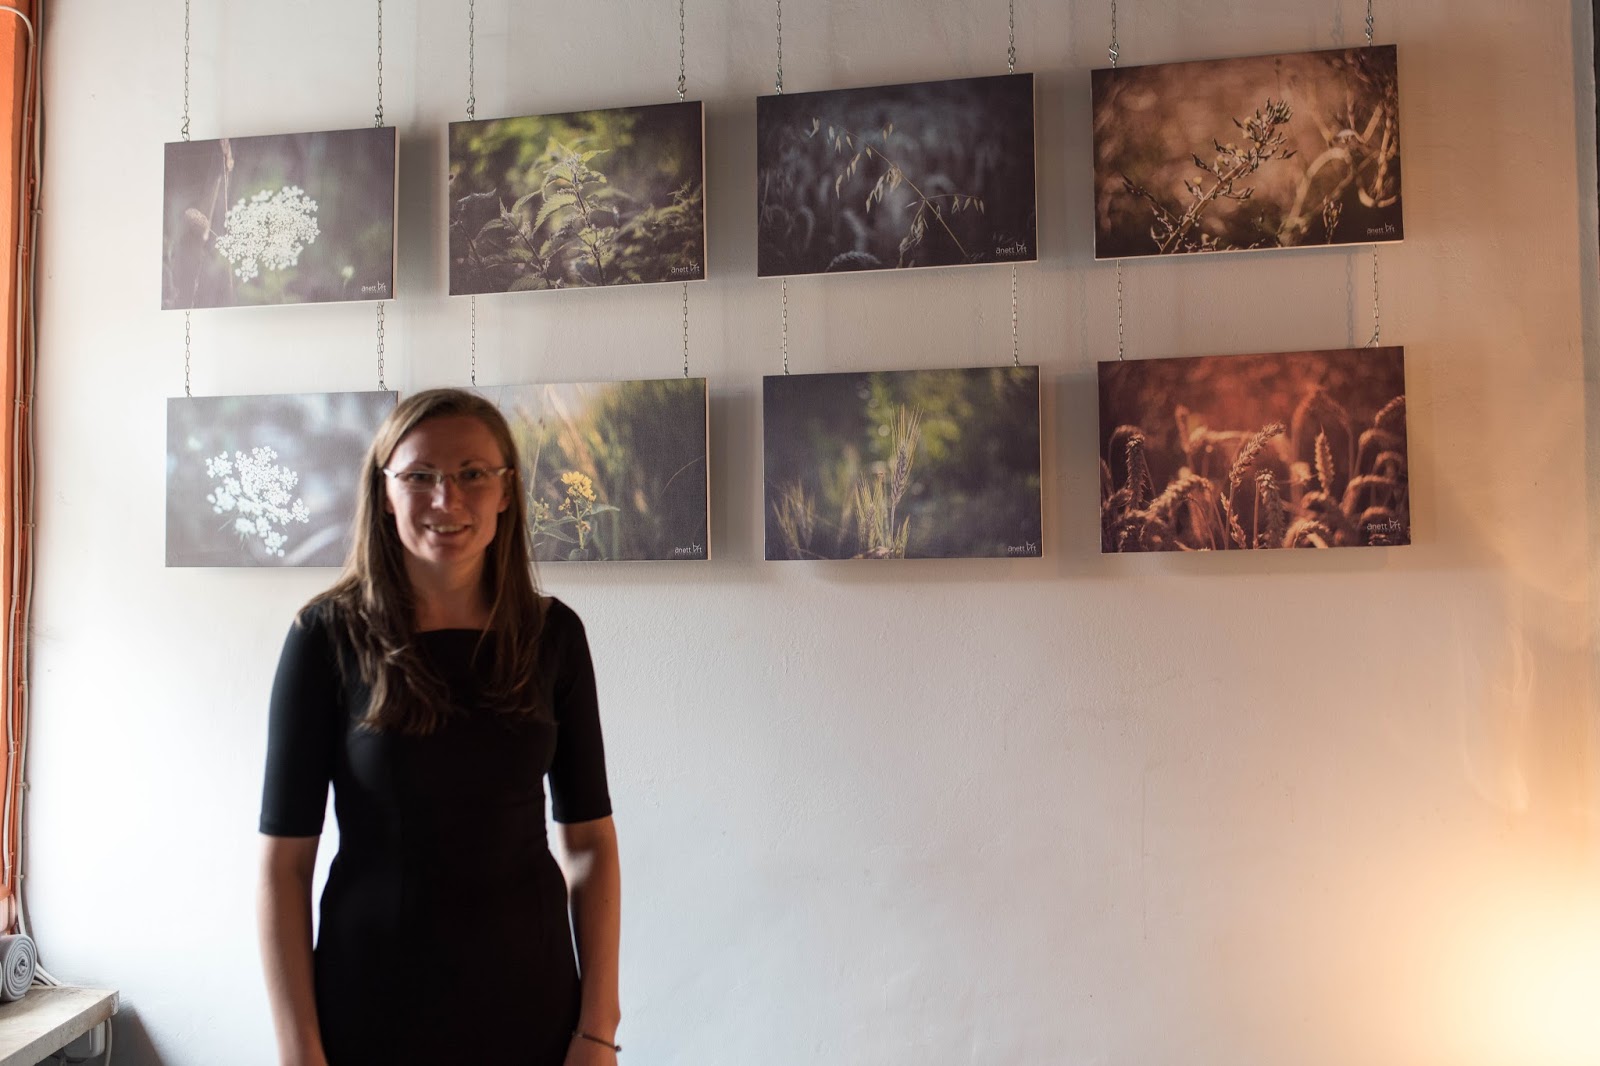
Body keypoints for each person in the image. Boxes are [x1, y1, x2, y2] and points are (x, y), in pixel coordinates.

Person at [256, 389, 621, 1066]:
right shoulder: (324, 636)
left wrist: (598, 1028)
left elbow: (591, 845)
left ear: (506, 490)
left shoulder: (554, 635)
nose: (446, 498)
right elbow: (285, 866)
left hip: (532, 1009)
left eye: (472, 473)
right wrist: (299, 1051)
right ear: (384, 491)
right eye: (420, 475)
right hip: (367, 1007)